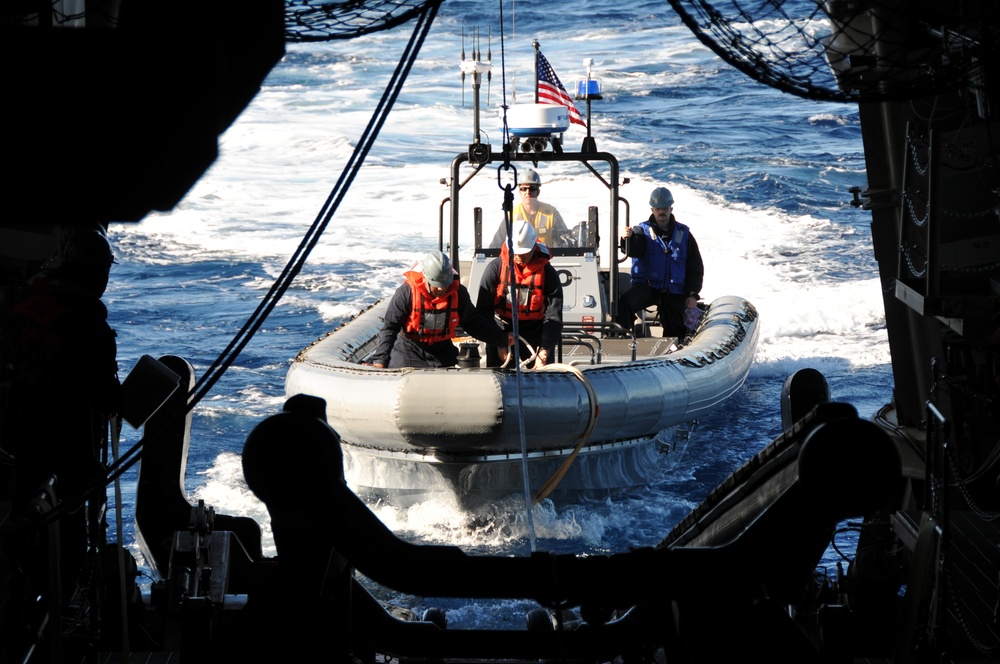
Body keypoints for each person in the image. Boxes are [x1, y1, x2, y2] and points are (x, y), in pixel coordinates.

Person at [0, 224, 120, 596]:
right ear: (93, 272)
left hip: (22, 429)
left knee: (27, 507)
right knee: (68, 529)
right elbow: (106, 395)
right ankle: (60, 601)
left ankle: (19, 583)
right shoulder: (89, 327)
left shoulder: (28, 305)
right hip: (67, 441)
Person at [368, 251, 512, 368]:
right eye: (437, 284)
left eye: (445, 283)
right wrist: (380, 360)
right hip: (410, 349)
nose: (442, 289)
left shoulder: (458, 293)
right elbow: (390, 329)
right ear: (426, 278)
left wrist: (500, 339)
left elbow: (473, 323)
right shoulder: (406, 294)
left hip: (442, 349)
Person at [616, 186, 704, 338]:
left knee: (675, 328)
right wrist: (626, 239)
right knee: (625, 303)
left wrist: (692, 294)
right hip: (648, 287)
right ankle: (621, 338)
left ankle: (674, 352)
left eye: (664, 208)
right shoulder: (641, 231)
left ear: (671, 208)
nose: (661, 212)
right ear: (652, 210)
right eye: (658, 209)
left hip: (675, 291)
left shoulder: (684, 234)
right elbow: (633, 249)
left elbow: (695, 267)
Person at [478, 220, 563, 367]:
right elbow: (483, 312)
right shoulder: (494, 269)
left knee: (541, 381)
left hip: (536, 333)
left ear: (533, 247)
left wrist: (545, 349)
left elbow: (554, 317)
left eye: (523, 253)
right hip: (501, 329)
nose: (518, 257)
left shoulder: (548, 273)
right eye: (515, 252)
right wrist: (499, 341)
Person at [489, 168, 571, 249]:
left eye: (532, 189)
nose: (528, 192)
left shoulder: (551, 213)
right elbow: (496, 245)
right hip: (519, 260)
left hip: (545, 260)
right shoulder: (512, 215)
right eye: (524, 189)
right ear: (519, 192)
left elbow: (565, 242)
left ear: (538, 192)